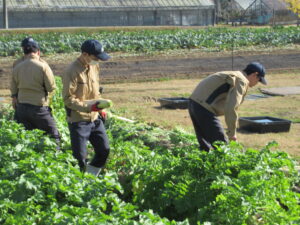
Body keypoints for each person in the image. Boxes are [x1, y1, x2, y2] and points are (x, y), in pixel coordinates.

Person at [189, 62, 267, 152]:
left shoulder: (235, 74)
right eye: (259, 80)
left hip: (193, 103)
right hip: (203, 108)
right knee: (222, 146)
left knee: (205, 145)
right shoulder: (242, 80)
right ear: (254, 74)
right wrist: (232, 134)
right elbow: (231, 108)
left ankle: (203, 164)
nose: (257, 83)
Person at [62, 39, 111, 176]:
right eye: (95, 57)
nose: (98, 60)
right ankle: (79, 184)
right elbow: (68, 99)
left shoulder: (95, 67)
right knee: (80, 158)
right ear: (85, 54)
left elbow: (96, 91)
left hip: (95, 118)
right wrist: (89, 107)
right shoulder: (71, 71)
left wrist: (101, 107)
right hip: (78, 120)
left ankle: (91, 178)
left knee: (104, 150)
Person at [10, 39, 61, 148]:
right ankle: (56, 154)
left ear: (24, 52)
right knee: (53, 134)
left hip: (21, 106)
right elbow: (51, 87)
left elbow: (13, 87)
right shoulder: (43, 66)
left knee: (25, 135)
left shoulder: (17, 66)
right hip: (38, 107)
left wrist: (15, 98)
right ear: (38, 52)